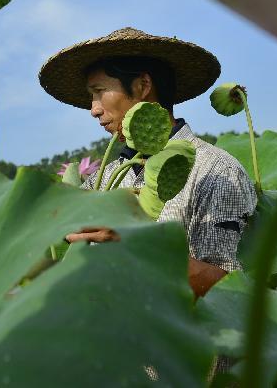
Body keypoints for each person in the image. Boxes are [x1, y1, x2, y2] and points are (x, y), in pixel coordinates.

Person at [38, 27, 257, 297]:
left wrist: (131, 242)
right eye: (90, 96)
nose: (93, 109)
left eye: (99, 91)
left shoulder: (216, 170)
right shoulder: (102, 181)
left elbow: (232, 290)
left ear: (142, 85)